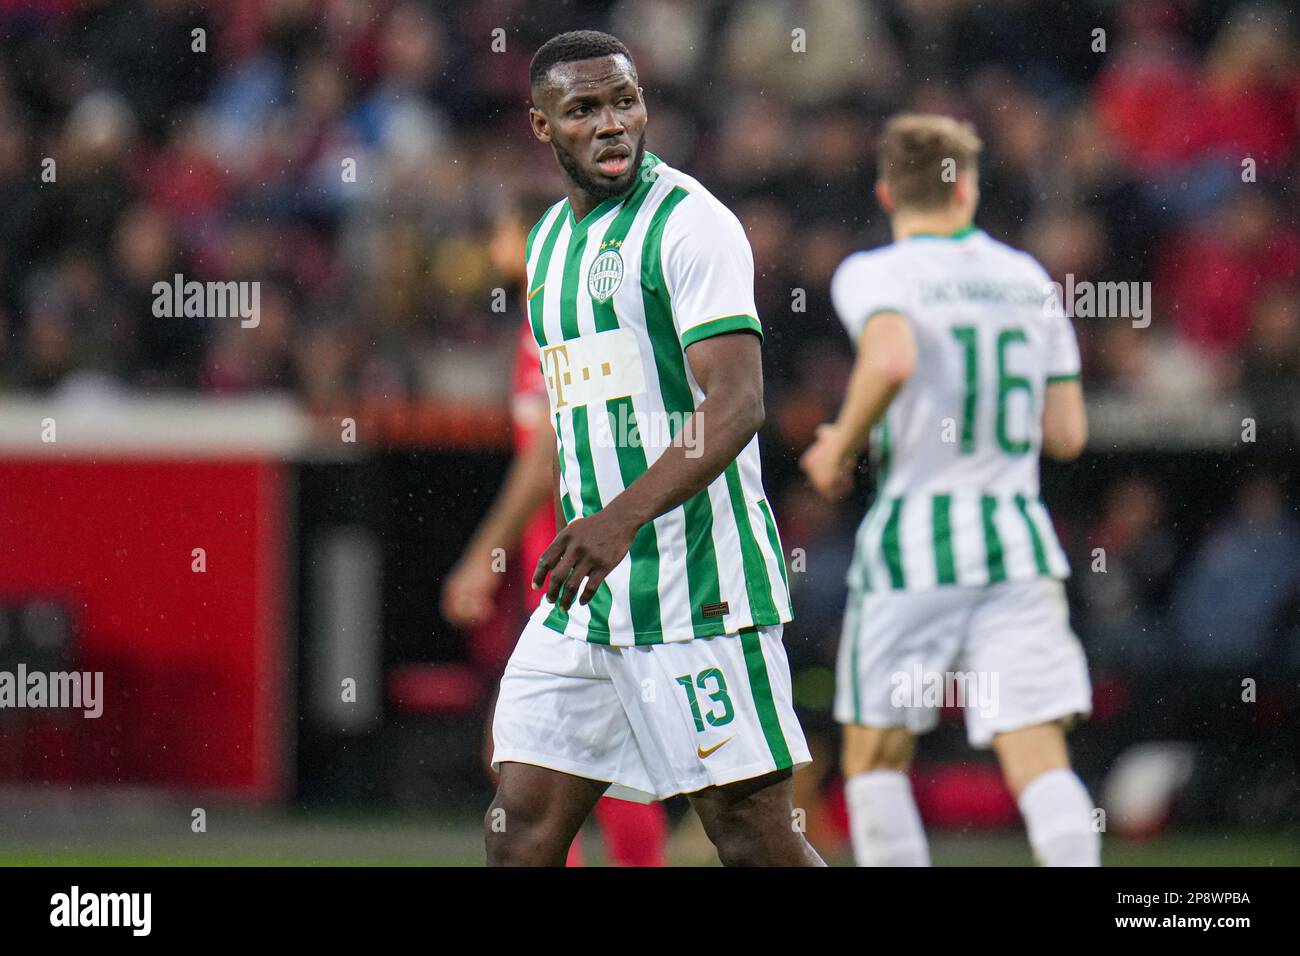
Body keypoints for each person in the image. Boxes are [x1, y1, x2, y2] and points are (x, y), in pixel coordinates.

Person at [484, 30, 821, 867]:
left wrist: (620, 518)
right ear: (542, 126)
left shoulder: (691, 224)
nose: (611, 124)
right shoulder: (548, 247)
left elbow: (738, 402)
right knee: (521, 825)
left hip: (696, 586)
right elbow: (576, 419)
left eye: (624, 101)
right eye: (584, 109)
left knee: (751, 838)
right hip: (589, 596)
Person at [801, 114, 1099, 867]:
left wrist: (842, 438)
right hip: (1017, 538)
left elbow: (893, 354)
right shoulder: (1027, 277)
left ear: (886, 192)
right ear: (965, 187)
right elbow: (1066, 435)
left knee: (876, 757)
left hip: (914, 541)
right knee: (1036, 754)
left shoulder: (874, 271)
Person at [441, 315, 670, 867]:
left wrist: (482, 554)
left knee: (556, 759)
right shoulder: (542, 314)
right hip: (561, 570)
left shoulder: (566, 311)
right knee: (563, 759)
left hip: (582, 572)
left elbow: (549, 447)